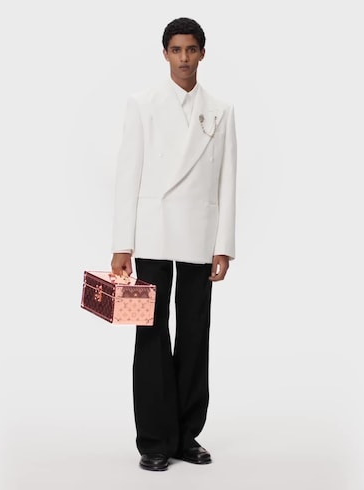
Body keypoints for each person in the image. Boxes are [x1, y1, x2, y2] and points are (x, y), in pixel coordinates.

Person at [110, 17, 237, 471]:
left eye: (191, 49)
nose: (184, 58)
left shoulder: (221, 110)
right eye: (176, 49)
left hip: (200, 235)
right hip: (151, 234)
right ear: (164, 54)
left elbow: (227, 179)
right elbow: (128, 173)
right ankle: (154, 440)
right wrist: (122, 244)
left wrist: (224, 244)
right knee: (149, 331)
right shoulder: (141, 104)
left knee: (195, 332)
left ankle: (186, 435)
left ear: (203, 53)